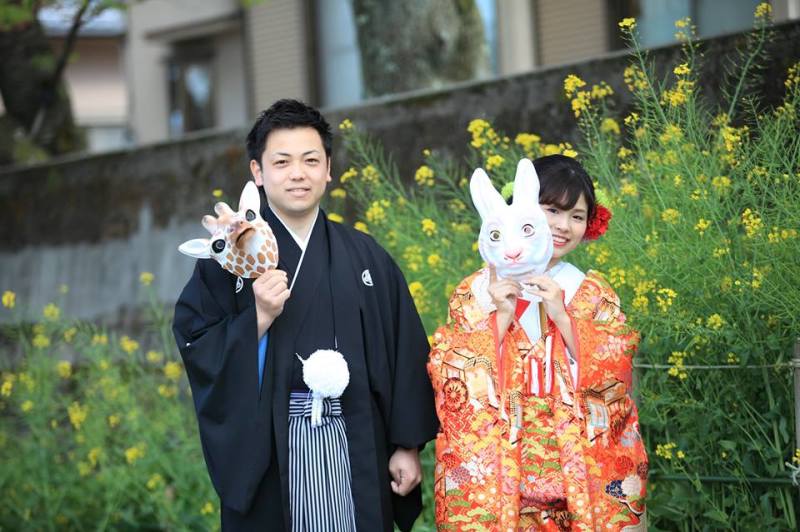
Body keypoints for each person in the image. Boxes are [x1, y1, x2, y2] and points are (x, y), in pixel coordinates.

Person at [173, 99, 438, 531]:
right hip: (272, 447)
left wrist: (406, 446)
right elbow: (196, 342)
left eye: (311, 160)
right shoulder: (227, 261)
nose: (298, 173)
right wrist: (257, 316)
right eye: (282, 162)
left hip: (357, 440)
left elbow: (404, 349)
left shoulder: (365, 256)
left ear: (328, 168)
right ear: (258, 173)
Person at [428, 154, 648, 530]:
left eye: (577, 216)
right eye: (552, 210)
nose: (564, 226)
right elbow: (451, 376)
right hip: (500, 477)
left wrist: (562, 315)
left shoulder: (590, 291)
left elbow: (616, 368)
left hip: (577, 475)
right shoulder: (476, 292)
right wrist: (499, 318)